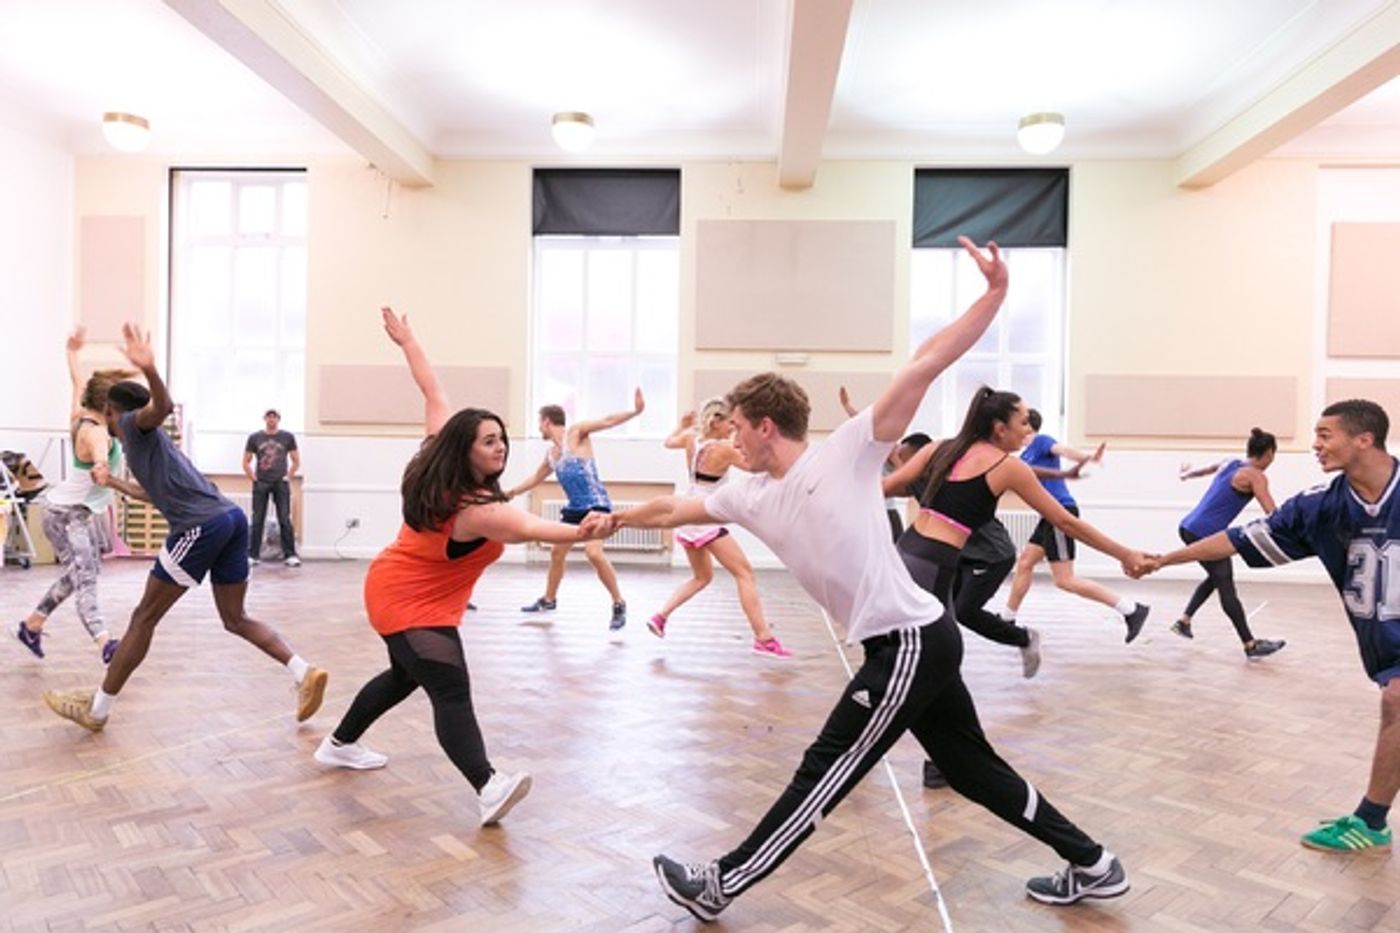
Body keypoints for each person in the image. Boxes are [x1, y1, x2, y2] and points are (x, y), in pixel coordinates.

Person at [613, 239, 1136, 921]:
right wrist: (614, 516)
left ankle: (722, 881)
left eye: (738, 427)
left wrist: (995, 295)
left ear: (766, 426)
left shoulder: (848, 452)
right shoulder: (750, 494)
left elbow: (928, 360)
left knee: (825, 766)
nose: (730, 439)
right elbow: (678, 506)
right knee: (976, 772)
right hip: (917, 637)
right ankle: (1095, 861)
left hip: (911, 640)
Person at [313, 308, 611, 826]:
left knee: (405, 677)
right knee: (449, 688)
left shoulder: (440, 463)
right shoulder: (479, 510)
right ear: (466, 449)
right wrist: (587, 530)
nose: (500, 447)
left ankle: (339, 744)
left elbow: (433, 394)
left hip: (399, 587)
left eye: (501, 438)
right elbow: (534, 529)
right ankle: (487, 784)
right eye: (489, 441)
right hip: (405, 599)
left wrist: (408, 340)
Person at [1140, 400, 1400, 853]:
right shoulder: (1318, 506)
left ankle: (1371, 821)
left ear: (1365, 439)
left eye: (1325, 435)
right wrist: (1164, 559)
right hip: (1386, 643)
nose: (1315, 446)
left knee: (1397, 702)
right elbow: (1237, 540)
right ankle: (1372, 821)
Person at [42, 323, 327, 732]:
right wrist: (116, 483)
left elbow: (161, 405)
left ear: (113, 413)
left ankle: (98, 710)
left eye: (106, 413)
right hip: (230, 519)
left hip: (199, 527)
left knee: (143, 618)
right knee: (235, 618)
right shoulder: (154, 448)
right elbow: (155, 495)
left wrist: (151, 370)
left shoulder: (136, 428)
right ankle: (303, 671)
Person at [886, 389, 1147, 789]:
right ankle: (927, 754)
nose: (1029, 429)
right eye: (1023, 422)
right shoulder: (1006, 467)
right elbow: (1068, 523)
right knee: (931, 664)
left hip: (906, 558)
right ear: (999, 427)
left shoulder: (940, 448)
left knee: (935, 661)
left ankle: (945, 758)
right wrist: (1124, 552)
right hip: (933, 570)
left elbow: (888, 485)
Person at [16, 327, 131, 664]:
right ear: (109, 407)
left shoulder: (79, 417)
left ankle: (32, 625)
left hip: (63, 509)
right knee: (86, 577)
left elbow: (78, 384)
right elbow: (99, 461)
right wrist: (102, 469)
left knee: (77, 572)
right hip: (68, 515)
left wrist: (72, 353)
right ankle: (105, 643)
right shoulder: (97, 434)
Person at [649, 399, 790, 658]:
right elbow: (755, 467)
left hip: (687, 514)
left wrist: (680, 425)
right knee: (744, 573)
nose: (732, 429)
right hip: (705, 515)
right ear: (716, 422)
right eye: (730, 424)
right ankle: (763, 638)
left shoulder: (691, 438)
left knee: (702, 577)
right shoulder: (722, 449)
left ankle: (660, 616)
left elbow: (668, 441)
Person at [1002, 410, 1150, 640]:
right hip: (1047, 516)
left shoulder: (1041, 442)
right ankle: (1007, 619)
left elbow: (1063, 450)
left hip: (1061, 512)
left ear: (1026, 425)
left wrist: (1087, 458)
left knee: (1065, 580)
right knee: (1025, 563)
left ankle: (1131, 609)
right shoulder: (1023, 458)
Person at [507, 392, 644, 631]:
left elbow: (608, 420)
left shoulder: (577, 433)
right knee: (557, 553)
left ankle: (618, 603)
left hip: (596, 505)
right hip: (573, 509)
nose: (539, 427)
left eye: (540, 422)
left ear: (547, 422)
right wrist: (512, 492)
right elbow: (536, 478)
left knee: (593, 554)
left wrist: (635, 412)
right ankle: (549, 600)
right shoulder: (551, 454)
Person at [1171, 428, 1284, 658]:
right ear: (1269, 453)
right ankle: (1250, 645)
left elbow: (1201, 471)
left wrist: (1186, 474)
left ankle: (1184, 621)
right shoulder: (1255, 476)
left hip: (1188, 527)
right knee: (1226, 586)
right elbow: (1271, 513)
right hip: (1205, 533)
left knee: (1216, 577)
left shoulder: (1229, 462)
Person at [243, 408, 301, 568]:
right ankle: (253, 555)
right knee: (257, 519)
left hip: (280, 483)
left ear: (278, 419)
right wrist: (253, 477)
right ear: (264, 419)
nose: (271, 419)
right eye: (269, 416)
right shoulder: (255, 437)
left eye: (274, 417)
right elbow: (246, 461)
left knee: (284, 518)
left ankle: (290, 555)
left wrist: (288, 476)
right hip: (261, 483)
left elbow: (296, 460)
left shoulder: (287, 437)